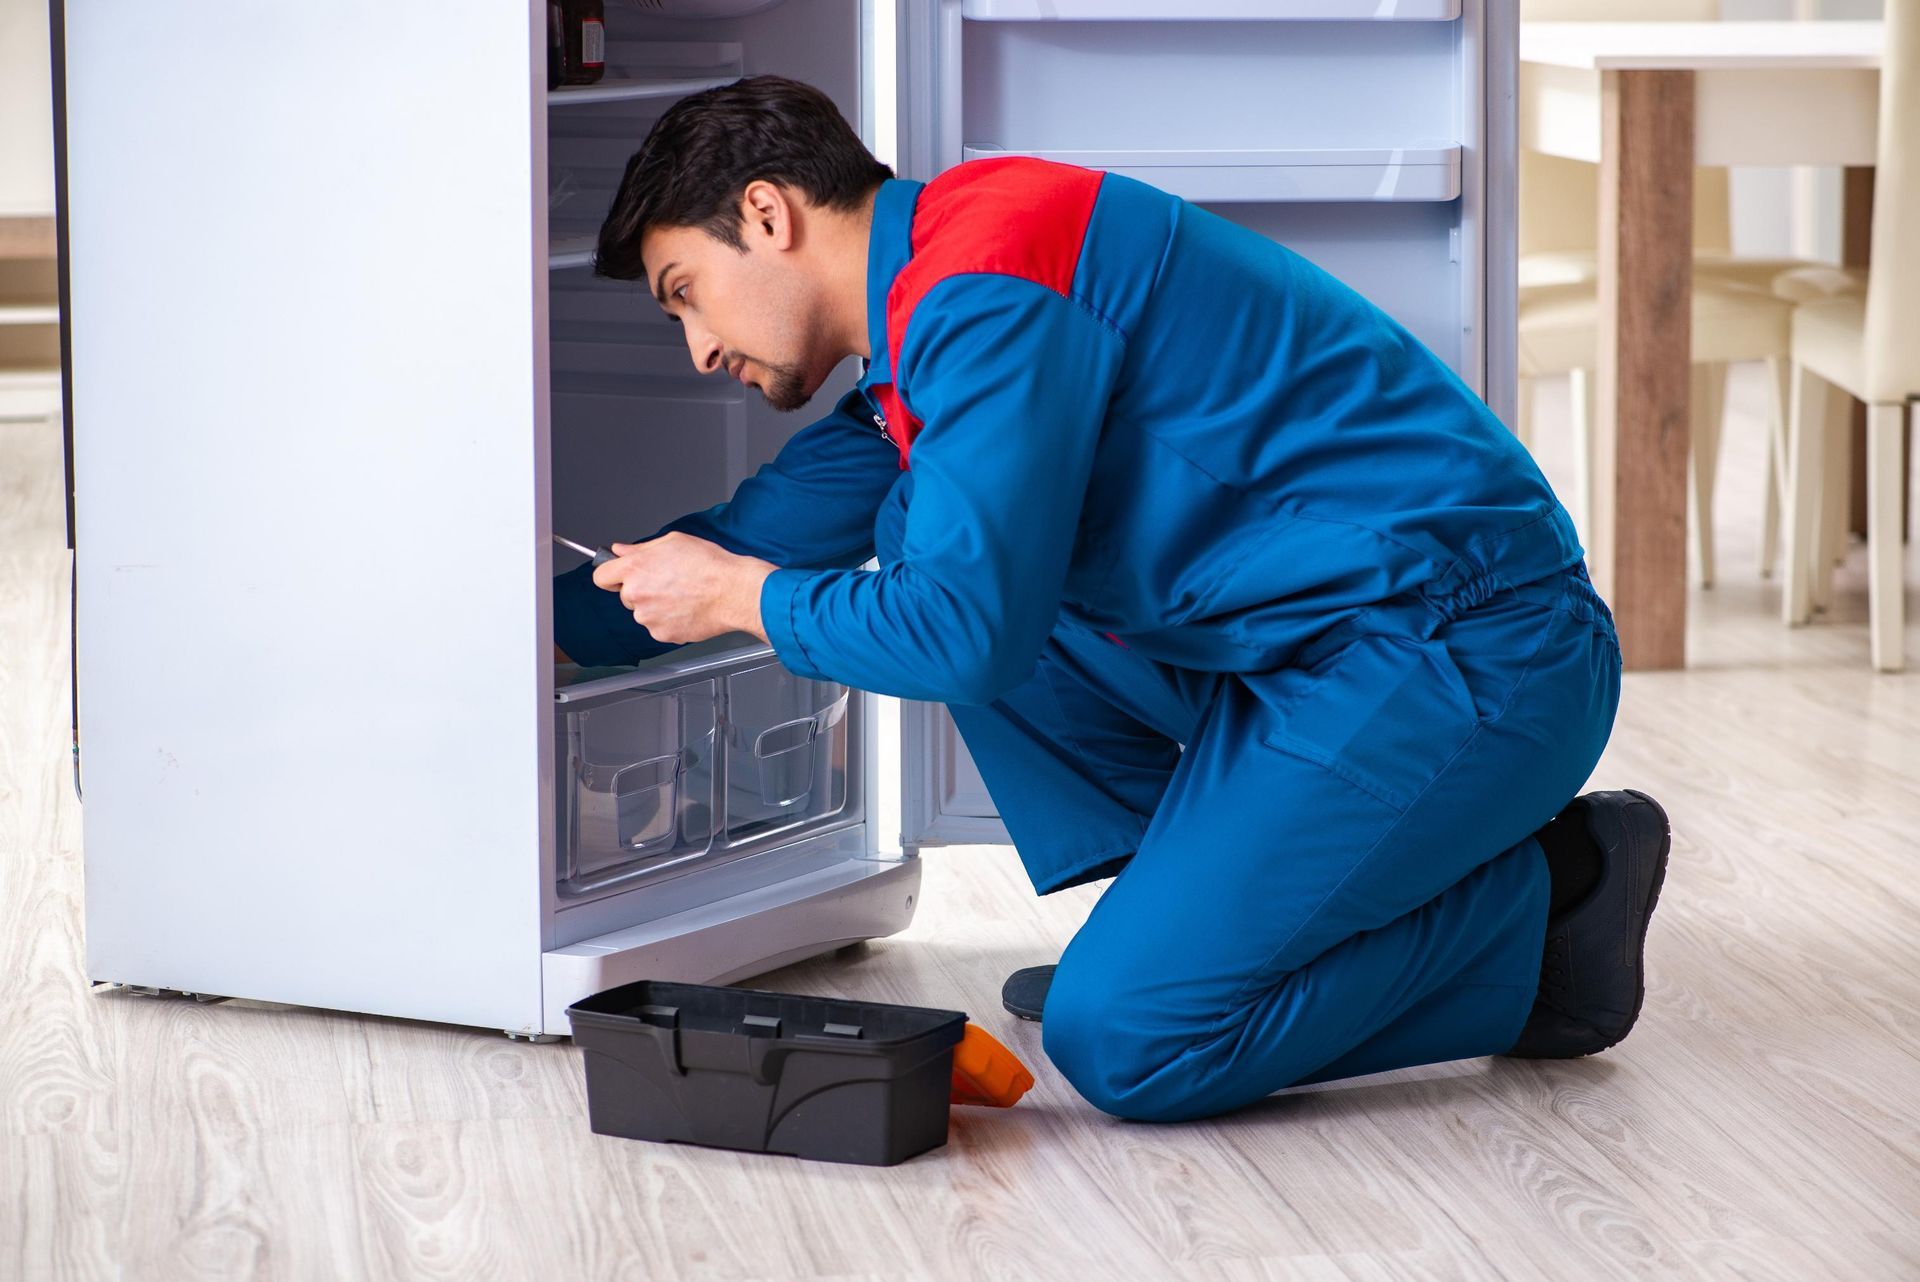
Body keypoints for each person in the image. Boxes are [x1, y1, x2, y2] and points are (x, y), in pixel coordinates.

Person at [552, 75, 1669, 1123]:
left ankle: (1560, 902)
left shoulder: (988, 286)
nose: (698, 348)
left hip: (1470, 646)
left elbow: (961, 638)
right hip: (1326, 656)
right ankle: (1193, 923)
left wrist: (747, 599)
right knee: (917, 523)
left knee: (1131, 1040)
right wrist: (537, 630)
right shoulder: (933, 310)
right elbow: (763, 532)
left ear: (765, 213)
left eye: (686, 293)